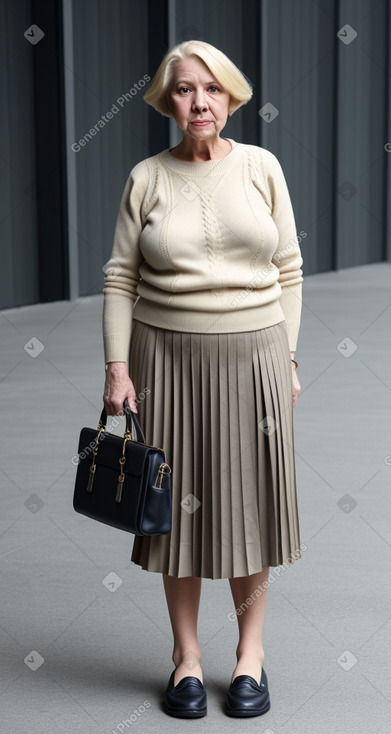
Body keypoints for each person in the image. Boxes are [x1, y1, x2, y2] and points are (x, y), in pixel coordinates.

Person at [102, 39, 303, 719]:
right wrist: (117, 367)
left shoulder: (260, 167)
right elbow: (120, 278)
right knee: (174, 518)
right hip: (166, 364)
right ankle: (185, 659)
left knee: (249, 510)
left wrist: (290, 361)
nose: (199, 102)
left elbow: (289, 271)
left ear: (230, 96)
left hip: (255, 360)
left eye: (211, 89)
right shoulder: (146, 178)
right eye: (185, 89)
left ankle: (250, 657)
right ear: (167, 100)